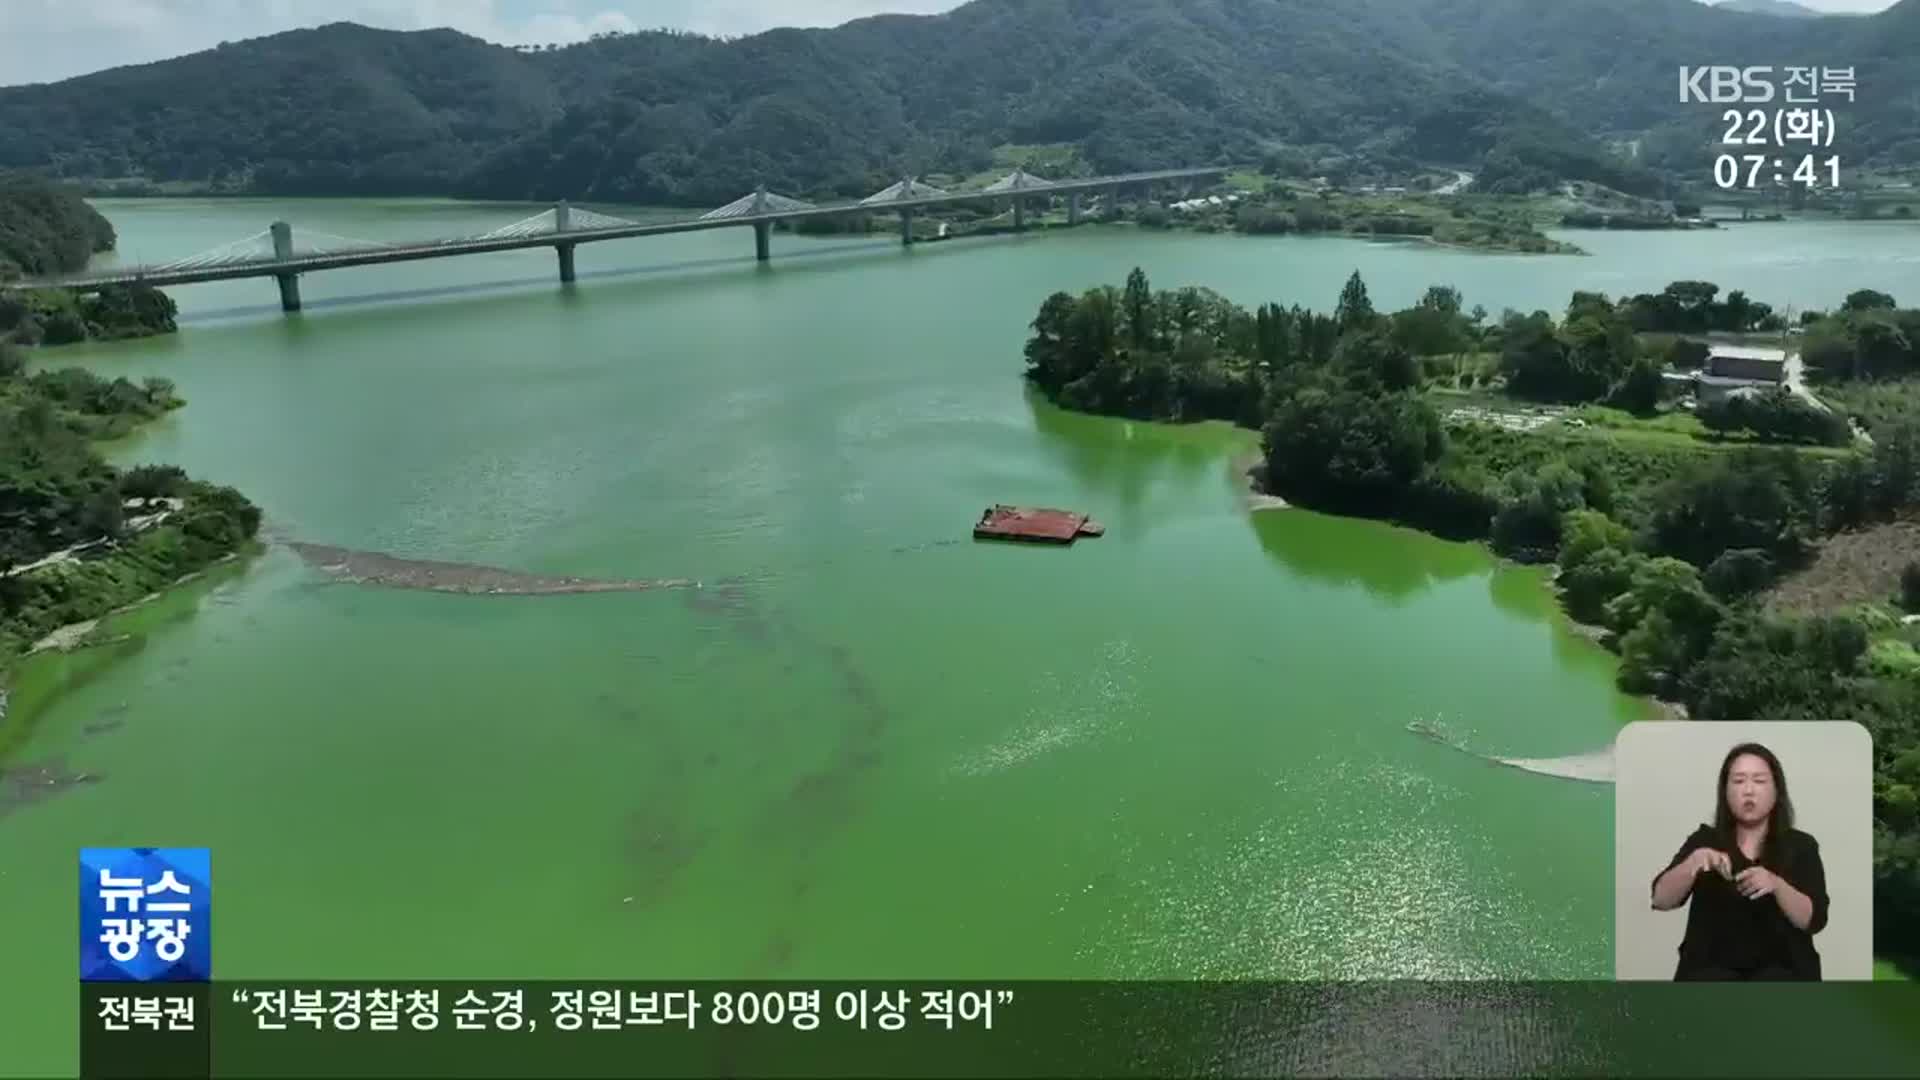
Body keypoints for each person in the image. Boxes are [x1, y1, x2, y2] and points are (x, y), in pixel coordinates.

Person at [1649, 742, 1829, 980]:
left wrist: (1776, 885)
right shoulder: (1704, 839)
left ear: (1777, 791)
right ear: (1725, 791)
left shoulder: (1802, 846)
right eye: (1739, 781)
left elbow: (1813, 919)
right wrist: (1694, 862)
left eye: (1759, 781)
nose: (1749, 790)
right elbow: (1661, 899)